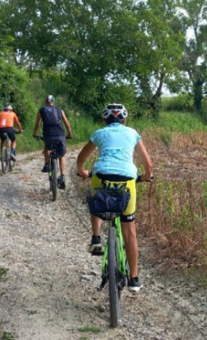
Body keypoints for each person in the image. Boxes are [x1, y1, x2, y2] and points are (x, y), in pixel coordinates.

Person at [77, 103, 153, 293]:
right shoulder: (133, 133)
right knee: (130, 231)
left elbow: (81, 159)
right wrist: (144, 177)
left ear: (105, 120)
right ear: (124, 120)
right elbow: (148, 165)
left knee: (96, 199)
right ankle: (134, 278)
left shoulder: (100, 133)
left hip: (101, 176)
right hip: (127, 180)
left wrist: (83, 172)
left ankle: (96, 238)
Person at [33, 95, 73, 189]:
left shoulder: (41, 110)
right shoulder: (60, 110)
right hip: (60, 135)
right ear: (53, 102)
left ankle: (47, 164)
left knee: (47, 147)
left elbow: (37, 124)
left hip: (48, 136)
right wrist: (69, 135)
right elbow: (67, 125)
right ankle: (62, 176)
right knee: (61, 155)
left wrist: (35, 133)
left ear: (45, 102)